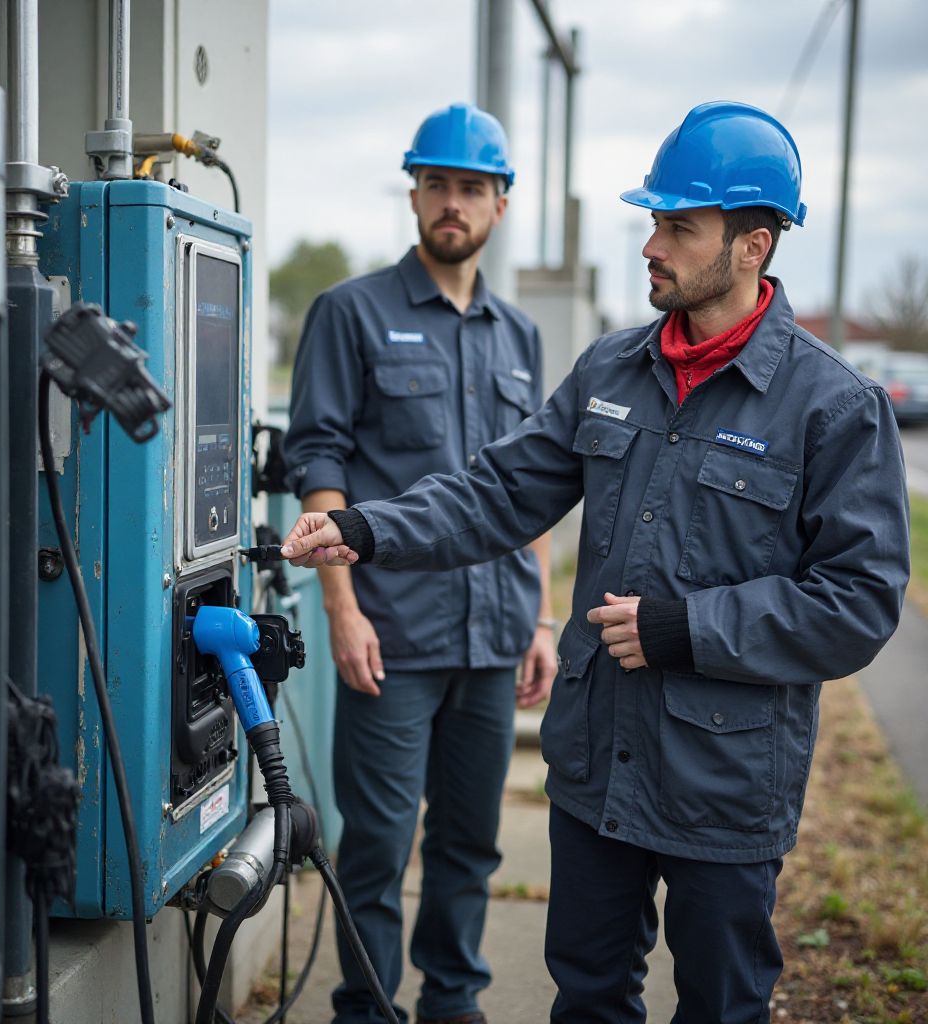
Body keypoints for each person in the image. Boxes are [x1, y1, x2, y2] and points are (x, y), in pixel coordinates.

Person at [279, 101, 911, 1023]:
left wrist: (685, 629)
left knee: (721, 1006)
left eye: (678, 227)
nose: (650, 246)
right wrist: (371, 529)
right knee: (587, 998)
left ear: (753, 245)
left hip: (721, 788)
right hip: (594, 772)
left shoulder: (835, 408)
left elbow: (857, 602)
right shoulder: (613, 372)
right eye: (652, 222)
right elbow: (499, 492)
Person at [282, 102, 556, 1024]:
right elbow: (318, 465)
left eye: (471, 187)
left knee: (470, 844)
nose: (453, 202)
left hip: (495, 634)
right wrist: (341, 610)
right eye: (437, 183)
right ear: (415, 192)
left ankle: (454, 1002)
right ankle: (367, 1008)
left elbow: (535, 489)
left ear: (500, 204)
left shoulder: (519, 338)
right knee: (378, 845)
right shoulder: (349, 313)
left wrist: (543, 616)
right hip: (391, 632)